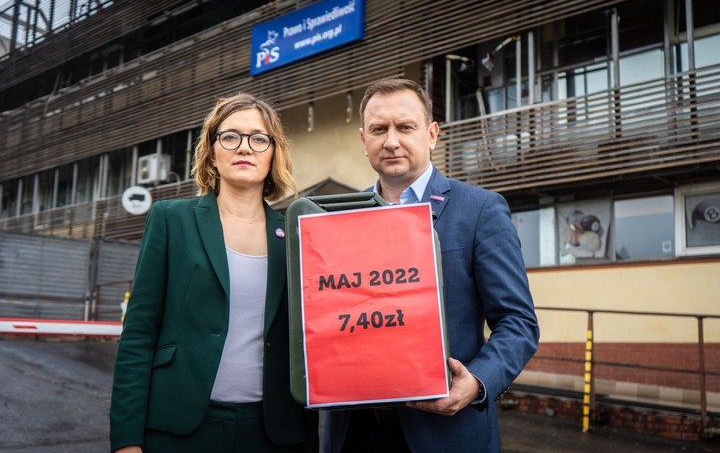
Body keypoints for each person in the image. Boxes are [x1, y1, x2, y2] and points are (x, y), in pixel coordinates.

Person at [323, 78, 540, 453]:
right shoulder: (335, 218)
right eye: (379, 129)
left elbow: (518, 322)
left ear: (432, 134)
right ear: (363, 140)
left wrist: (476, 381)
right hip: (353, 430)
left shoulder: (480, 210)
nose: (391, 141)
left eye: (405, 127)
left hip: (446, 432)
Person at [110, 93, 318, 453]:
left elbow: (310, 343)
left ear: (274, 152)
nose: (244, 147)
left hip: (272, 433)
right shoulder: (170, 220)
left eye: (259, 138)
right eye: (230, 136)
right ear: (211, 151)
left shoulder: (295, 235)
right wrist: (126, 441)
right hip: (177, 428)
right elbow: (138, 334)